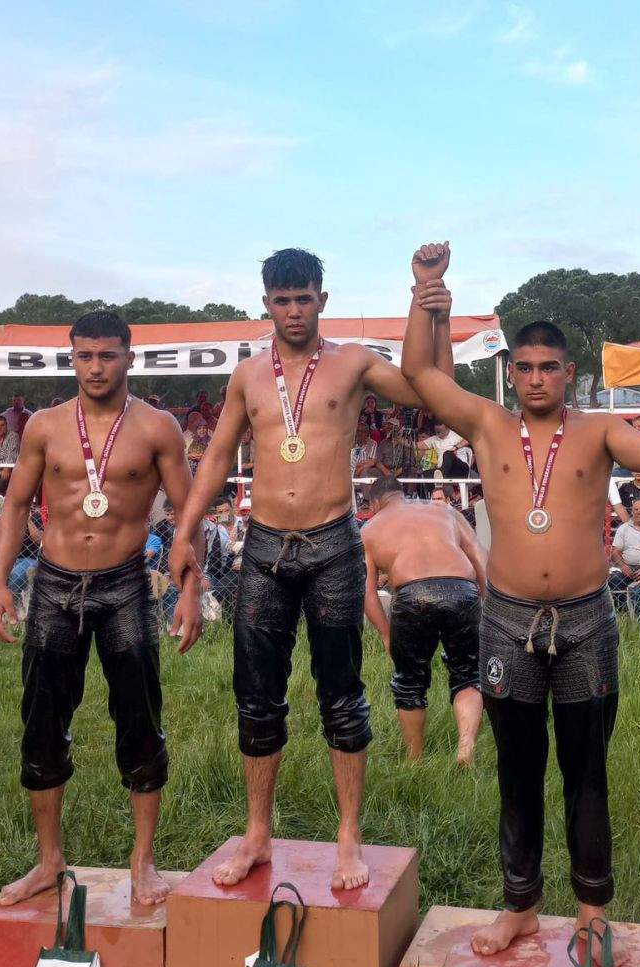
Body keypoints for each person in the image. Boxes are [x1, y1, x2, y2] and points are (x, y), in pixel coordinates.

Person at [400, 241, 640, 957]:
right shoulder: (486, 422)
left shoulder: (596, 431)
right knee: (518, 768)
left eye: (549, 368)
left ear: (570, 373)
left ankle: (593, 912)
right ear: (513, 372)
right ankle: (521, 905)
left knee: (586, 772)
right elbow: (417, 372)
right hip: (506, 624)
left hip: (586, 623)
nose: (537, 378)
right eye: (525, 368)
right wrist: (425, 290)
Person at [169, 247, 455, 891]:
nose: (294, 311)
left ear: (322, 300)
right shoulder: (247, 376)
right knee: (257, 699)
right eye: (282, 300)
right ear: (265, 302)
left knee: (342, 697)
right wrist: (184, 533)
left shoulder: (352, 363)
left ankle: (348, 838)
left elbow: (425, 390)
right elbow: (216, 458)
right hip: (266, 550)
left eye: (304, 298)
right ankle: (257, 835)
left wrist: (428, 303)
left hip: (332, 545)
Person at [0, 311, 202, 907]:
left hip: (126, 585)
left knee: (139, 718)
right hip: (54, 585)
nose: (96, 367)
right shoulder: (45, 426)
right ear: (72, 358)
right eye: (84, 356)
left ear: (128, 357)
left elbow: (187, 516)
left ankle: (143, 862)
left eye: (107, 356)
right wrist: (1, 581)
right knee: (42, 721)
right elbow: (13, 506)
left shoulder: (158, 428)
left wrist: (189, 589)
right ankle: (49, 861)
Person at [361, 474, 488, 765]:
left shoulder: (370, 528)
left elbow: (367, 593)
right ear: (401, 494)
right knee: (468, 674)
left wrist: (386, 635)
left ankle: (414, 760)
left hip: (412, 593)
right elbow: (480, 558)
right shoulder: (445, 511)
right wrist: (487, 606)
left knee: (409, 682)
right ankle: (466, 746)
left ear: (374, 503)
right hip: (463, 590)